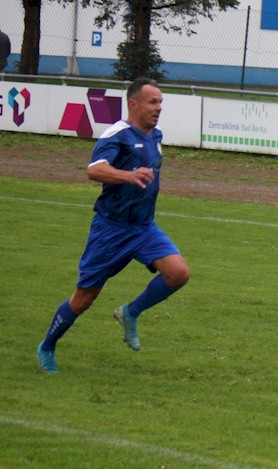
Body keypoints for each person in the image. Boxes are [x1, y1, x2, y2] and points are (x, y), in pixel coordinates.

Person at [36, 78, 190, 373]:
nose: (158, 108)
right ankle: (47, 346)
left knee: (178, 273)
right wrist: (128, 176)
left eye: (160, 103)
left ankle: (130, 313)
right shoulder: (117, 134)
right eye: (152, 102)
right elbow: (94, 170)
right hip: (111, 230)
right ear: (134, 104)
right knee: (84, 299)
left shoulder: (155, 136)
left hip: (144, 228)